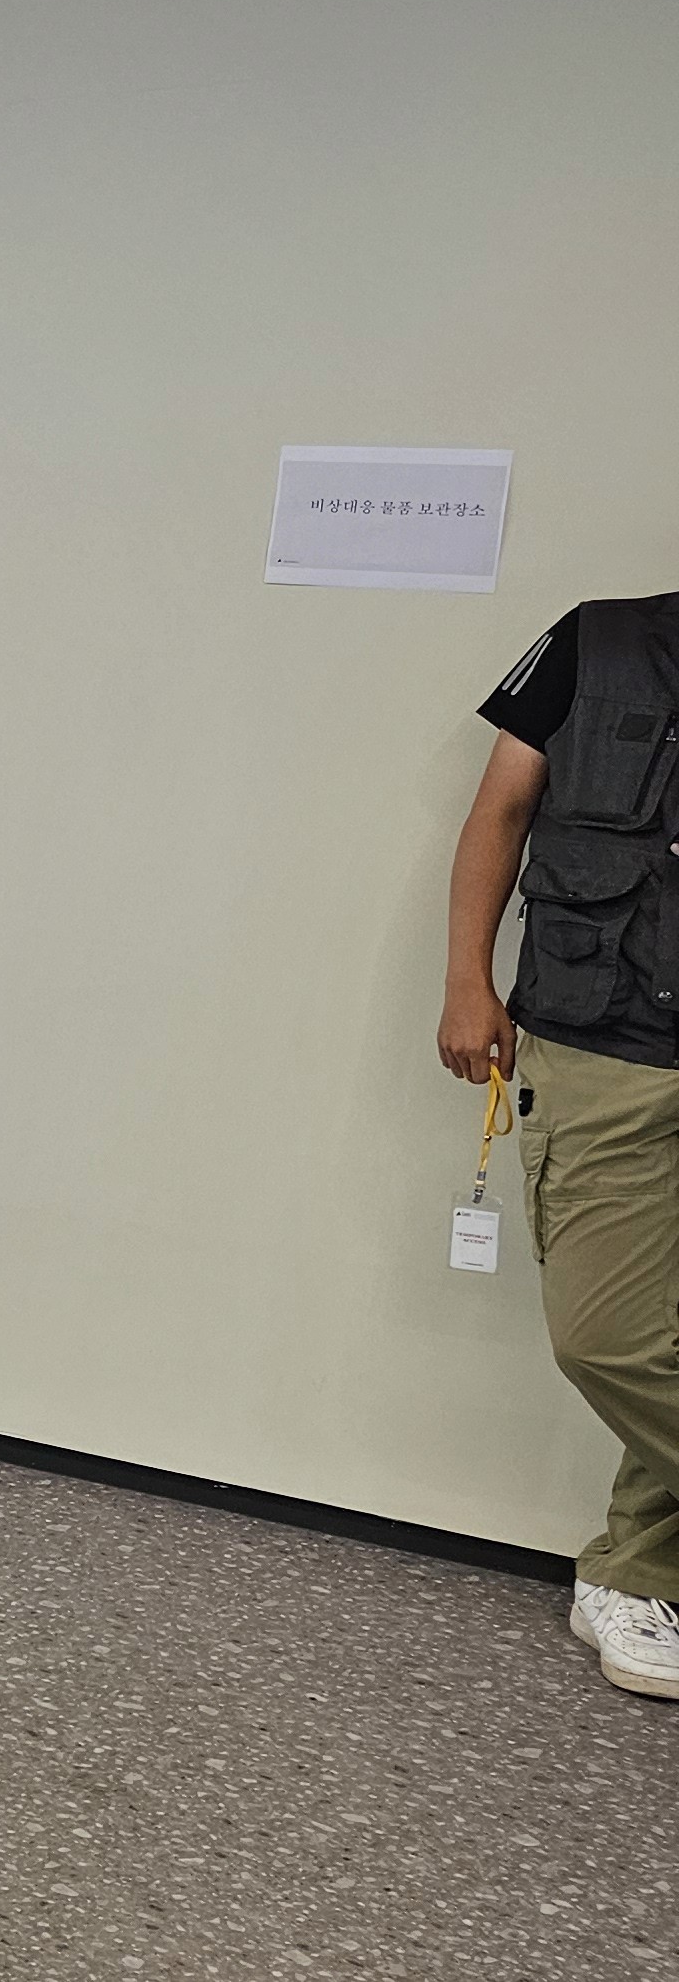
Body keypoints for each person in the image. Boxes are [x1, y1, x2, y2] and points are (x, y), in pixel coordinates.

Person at [441, 595, 679, 1701]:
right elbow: (499, 810)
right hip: (602, 1039)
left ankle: (636, 1571)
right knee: (605, 1336)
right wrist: (467, 980)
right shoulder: (599, 639)